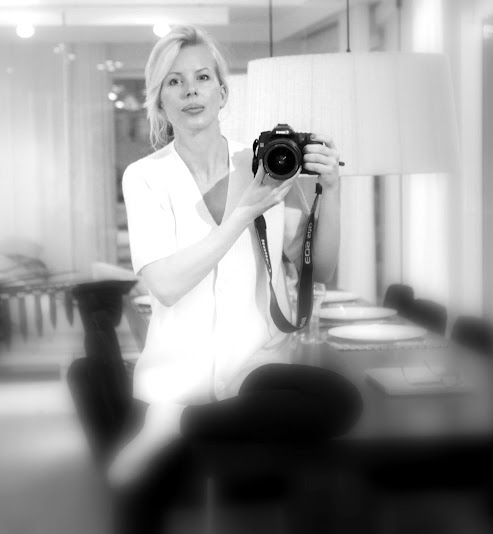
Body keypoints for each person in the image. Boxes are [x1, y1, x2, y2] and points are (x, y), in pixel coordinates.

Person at [97, 25, 360, 533]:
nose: (190, 91)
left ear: (222, 90)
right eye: (174, 82)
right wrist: (243, 214)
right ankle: (181, 429)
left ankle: (180, 426)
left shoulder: (268, 164)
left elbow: (320, 267)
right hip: (175, 378)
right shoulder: (145, 177)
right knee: (140, 511)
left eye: (202, 77)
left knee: (340, 401)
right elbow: (165, 284)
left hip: (252, 375)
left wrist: (331, 190)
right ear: (159, 99)